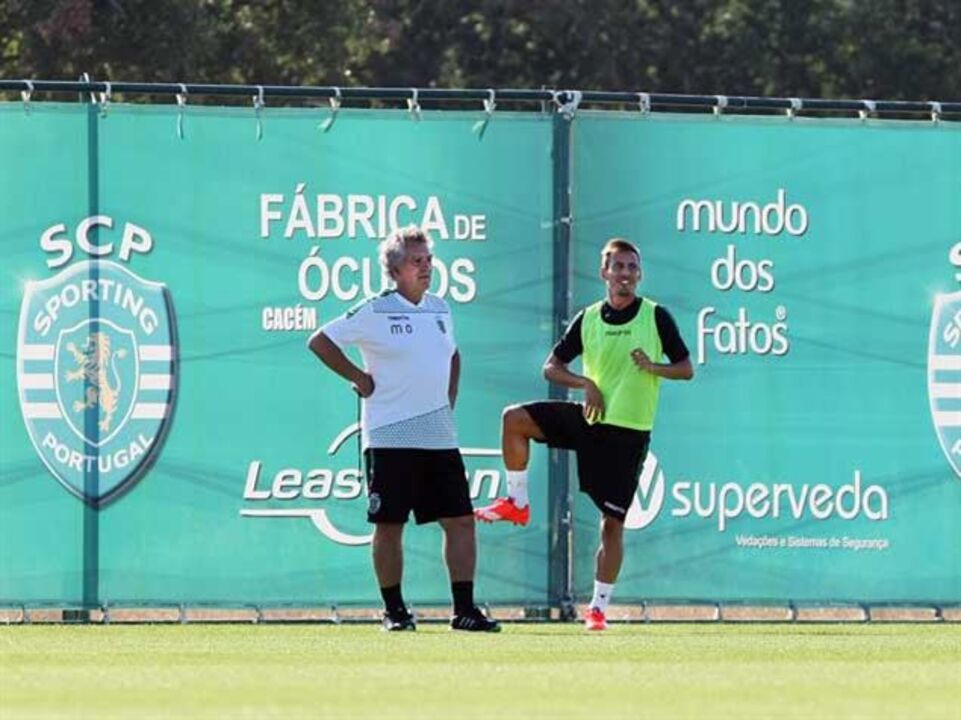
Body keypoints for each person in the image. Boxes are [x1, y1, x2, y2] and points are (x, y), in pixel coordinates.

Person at [475, 237, 693, 631]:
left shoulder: (656, 316)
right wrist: (585, 384)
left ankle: (597, 609)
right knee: (514, 419)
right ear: (604, 273)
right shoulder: (588, 317)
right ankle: (517, 501)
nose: (624, 274)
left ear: (639, 274)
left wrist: (653, 367)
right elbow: (550, 368)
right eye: (617, 266)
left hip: (627, 433)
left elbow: (686, 368)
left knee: (612, 524)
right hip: (588, 418)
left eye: (631, 267)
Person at [308, 226, 499, 633]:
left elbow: (453, 355)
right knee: (389, 525)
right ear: (394, 270)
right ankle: (395, 612)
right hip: (390, 435)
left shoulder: (440, 308)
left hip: (439, 435)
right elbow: (320, 341)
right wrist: (359, 376)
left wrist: (448, 397)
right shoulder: (374, 309)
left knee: (461, 521)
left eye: (429, 260)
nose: (426, 268)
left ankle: (463, 611)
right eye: (417, 261)